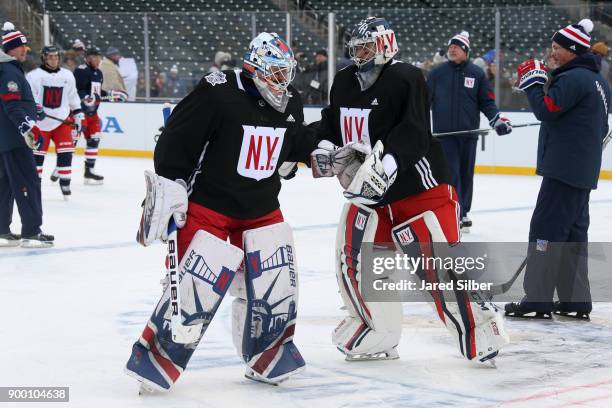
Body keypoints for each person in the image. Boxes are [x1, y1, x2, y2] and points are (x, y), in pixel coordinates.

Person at [124, 32, 361, 392]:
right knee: (195, 287)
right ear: (256, 69)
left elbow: (290, 141)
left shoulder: (291, 100)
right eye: (277, 73)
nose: (285, 82)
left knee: (275, 283)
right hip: (209, 206)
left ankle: (267, 355)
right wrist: (171, 181)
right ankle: (157, 358)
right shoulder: (218, 90)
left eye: (288, 73)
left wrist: (320, 150)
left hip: (261, 206)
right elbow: (176, 136)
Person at [310, 17, 509, 363]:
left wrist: (385, 167)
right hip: (372, 197)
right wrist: (324, 147)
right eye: (355, 48)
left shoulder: (407, 78)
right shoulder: (343, 80)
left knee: (438, 265)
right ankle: (378, 329)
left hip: (419, 189)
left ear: (386, 45)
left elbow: (415, 132)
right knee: (355, 261)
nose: (359, 54)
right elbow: (331, 121)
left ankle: (480, 328)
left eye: (366, 47)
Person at [505, 19, 610, 320]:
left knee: (546, 232)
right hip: (582, 171)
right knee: (574, 235)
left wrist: (535, 84)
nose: (551, 53)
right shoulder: (598, 81)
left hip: (564, 169)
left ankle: (537, 300)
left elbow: (547, 110)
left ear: (573, 50)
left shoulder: (574, 78)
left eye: (556, 48)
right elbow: (601, 127)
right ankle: (576, 301)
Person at [426, 31, 512, 233]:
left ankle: (463, 212)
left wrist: (497, 120)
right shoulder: (437, 74)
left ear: (465, 50)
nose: (452, 49)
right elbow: (423, 103)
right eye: (450, 47)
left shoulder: (476, 73)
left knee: (466, 175)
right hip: (445, 137)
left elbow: (487, 102)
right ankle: (453, 211)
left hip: (468, 135)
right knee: (451, 174)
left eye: (456, 47)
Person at [0, 23, 54, 247]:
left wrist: (34, 108)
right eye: (21, 47)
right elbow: (11, 106)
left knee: (6, 185)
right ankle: (31, 232)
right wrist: (27, 127)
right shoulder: (9, 72)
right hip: (15, 140)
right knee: (27, 182)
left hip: (6, 139)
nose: (25, 50)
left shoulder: (8, 69)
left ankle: (2, 229)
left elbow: (14, 101)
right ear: (10, 49)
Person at [26, 46, 84, 199]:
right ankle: (34, 186)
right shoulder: (33, 76)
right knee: (37, 158)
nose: (53, 59)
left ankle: (65, 183)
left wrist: (78, 114)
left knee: (66, 154)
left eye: (56, 56)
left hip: (62, 122)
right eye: (50, 56)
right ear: (44, 58)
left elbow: (73, 97)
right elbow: (29, 97)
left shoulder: (67, 75)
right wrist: (36, 108)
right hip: (40, 124)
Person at [74, 47, 126, 184]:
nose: (98, 60)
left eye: (99, 57)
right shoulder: (81, 70)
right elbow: (75, 89)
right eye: (95, 57)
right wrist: (84, 97)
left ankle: (89, 170)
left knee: (94, 139)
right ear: (87, 58)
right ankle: (60, 167)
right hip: (79, 112)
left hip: (93, 113)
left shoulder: (98, 73)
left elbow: (97, 93)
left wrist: (111, 94)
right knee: (71, 141)